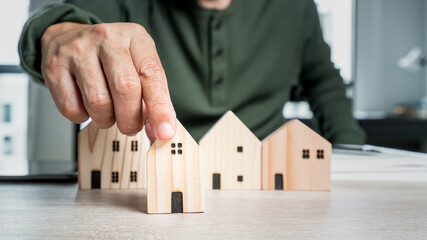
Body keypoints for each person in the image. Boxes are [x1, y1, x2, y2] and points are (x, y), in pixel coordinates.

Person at [19, 0, 366, 143]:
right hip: (143, 173)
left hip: (261, 179)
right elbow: (65, 25)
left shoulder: (296, 6)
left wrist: (352, 150)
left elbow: (323, 81)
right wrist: (56, 34)